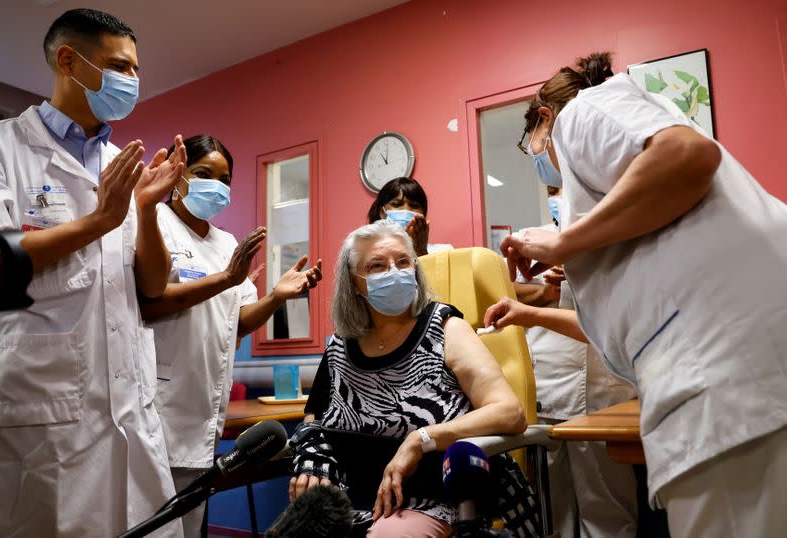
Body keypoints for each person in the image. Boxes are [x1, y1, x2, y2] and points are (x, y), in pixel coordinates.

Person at [498, 51, 787, 537]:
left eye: (532, 146)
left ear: (543, 118)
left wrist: (564, 241)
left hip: (729, 385)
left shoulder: (581, 113)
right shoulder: (628, 186)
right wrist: (576, 260)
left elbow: (685, 156)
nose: (541, 161)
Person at [0, 8, 186, 537]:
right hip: (45, 415)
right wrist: (99, 220)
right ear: (69, 61)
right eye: (120, 66)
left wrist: (144, 211)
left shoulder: (126, 163)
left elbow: (151, 288)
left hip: (132, 411)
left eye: (137, 70)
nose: (134, 82)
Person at [288, 220, 540, 537]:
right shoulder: (341, 346)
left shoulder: (445, 328)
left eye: (403, 262)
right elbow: (315, 419)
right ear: (354, 284)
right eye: (377, 266)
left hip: (430, 497)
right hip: (350, 498)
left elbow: (510, 413)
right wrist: (311, 454)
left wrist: (420, 440)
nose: (394, 272)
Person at [139, 134, 322, 536]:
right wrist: (226, 280)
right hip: (155, 404)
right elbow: (149, 301)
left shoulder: (226, 244)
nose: (215, 187)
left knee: (188, 524)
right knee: (151, 525)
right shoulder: (155, 225)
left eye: (224, 180)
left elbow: (237, 321)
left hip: (203, 407)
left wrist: (276, 296)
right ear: (176, 175)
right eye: (203, 174)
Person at [494, 187, 638, 538]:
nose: (561, 195)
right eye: (554, 189)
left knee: (606, 506)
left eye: (566, 186)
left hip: (603, 390)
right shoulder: (534, 242)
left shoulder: (617, 237)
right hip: (549, 385)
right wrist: (547, 289)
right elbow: (505, 293)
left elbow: (613, 320)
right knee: (551, 509)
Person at [366, 177, 452, 256]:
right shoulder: (368, 254)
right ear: (382, 212)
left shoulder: (444, 252)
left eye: (414, 205)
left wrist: (421, 251)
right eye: (397, 204)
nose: (406, 210)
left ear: (423, 213)